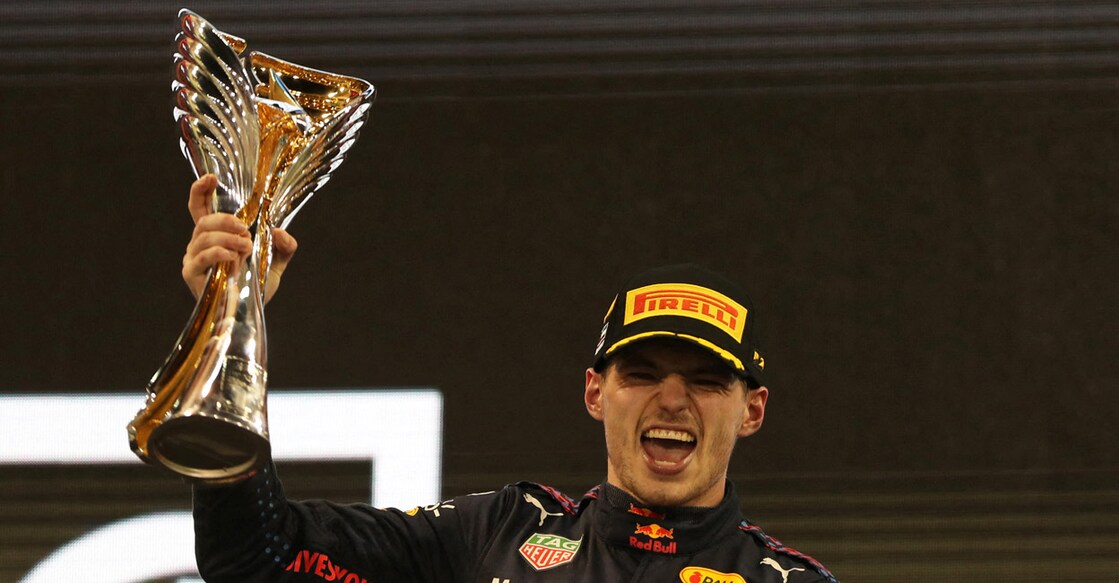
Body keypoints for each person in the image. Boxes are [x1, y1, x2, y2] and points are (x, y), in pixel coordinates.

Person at [182, 174, 839, 583]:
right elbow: (256, 559)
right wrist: (233, 326)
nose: (670, 398)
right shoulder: (498, 533)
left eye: (703, 380)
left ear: (750, 410)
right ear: (594, 391)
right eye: (640, 373)